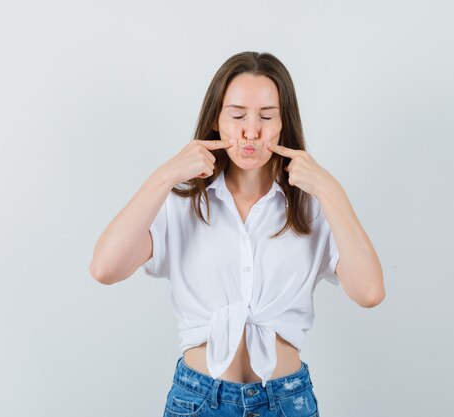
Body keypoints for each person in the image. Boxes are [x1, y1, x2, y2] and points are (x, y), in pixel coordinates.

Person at [90, 51, 385, 417]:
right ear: (217, 119)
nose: (251, 131)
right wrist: (166, 175)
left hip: (286, 401)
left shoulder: (312, 206)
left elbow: (370, 292)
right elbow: (105, 269)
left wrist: (329, 189)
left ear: (284, 123)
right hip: (198, 400)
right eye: (237, 115)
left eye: (266, 116)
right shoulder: (182, 203)